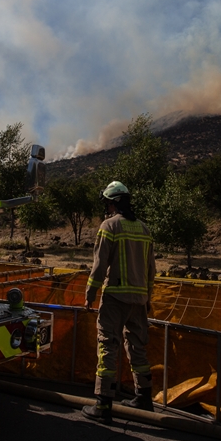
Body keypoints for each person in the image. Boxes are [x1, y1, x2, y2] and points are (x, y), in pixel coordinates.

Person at [82, 180, 157, 423]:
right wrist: (148, 298)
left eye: (106, 203)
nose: (105, 208)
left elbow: (100, 264)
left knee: (107, 343)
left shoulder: (109, 226)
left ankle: (103, 404)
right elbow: (151, 269)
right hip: (139, 299)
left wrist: (90, 294)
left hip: (115, 297)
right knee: (136, 345)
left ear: (113, 203)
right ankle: (144, 397)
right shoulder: (144, 229)